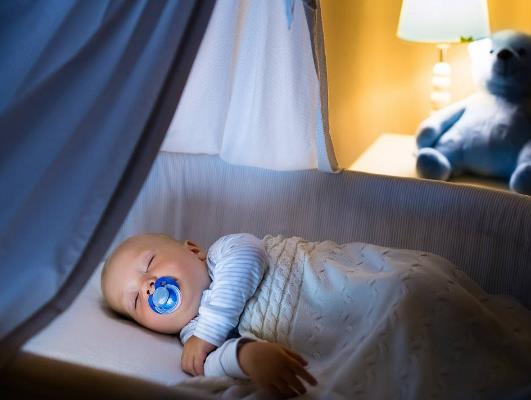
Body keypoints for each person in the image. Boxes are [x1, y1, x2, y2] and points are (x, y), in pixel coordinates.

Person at [101, 233, 317, 399]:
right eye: (135, 300)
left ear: (193, 250)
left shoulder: (223, 253)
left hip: (318, 279)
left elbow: (250, 254)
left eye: (149, 263)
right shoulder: (193, 336)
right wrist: (246, 355)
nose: (146, 287)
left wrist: (209, 331)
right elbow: (210, 365)